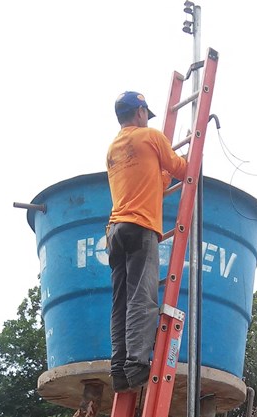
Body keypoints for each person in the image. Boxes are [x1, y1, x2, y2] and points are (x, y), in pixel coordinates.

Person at [106, 90, 187, 392]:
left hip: (115, 231)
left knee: (120, 302)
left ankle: (118, 369)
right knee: (142, 296)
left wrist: (163, 173)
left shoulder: (113, 149)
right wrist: (193, 155)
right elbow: (181, 170)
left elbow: (156, 180)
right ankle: (137, 365)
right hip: (141, 228)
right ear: (140, 112)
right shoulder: (151, 137)